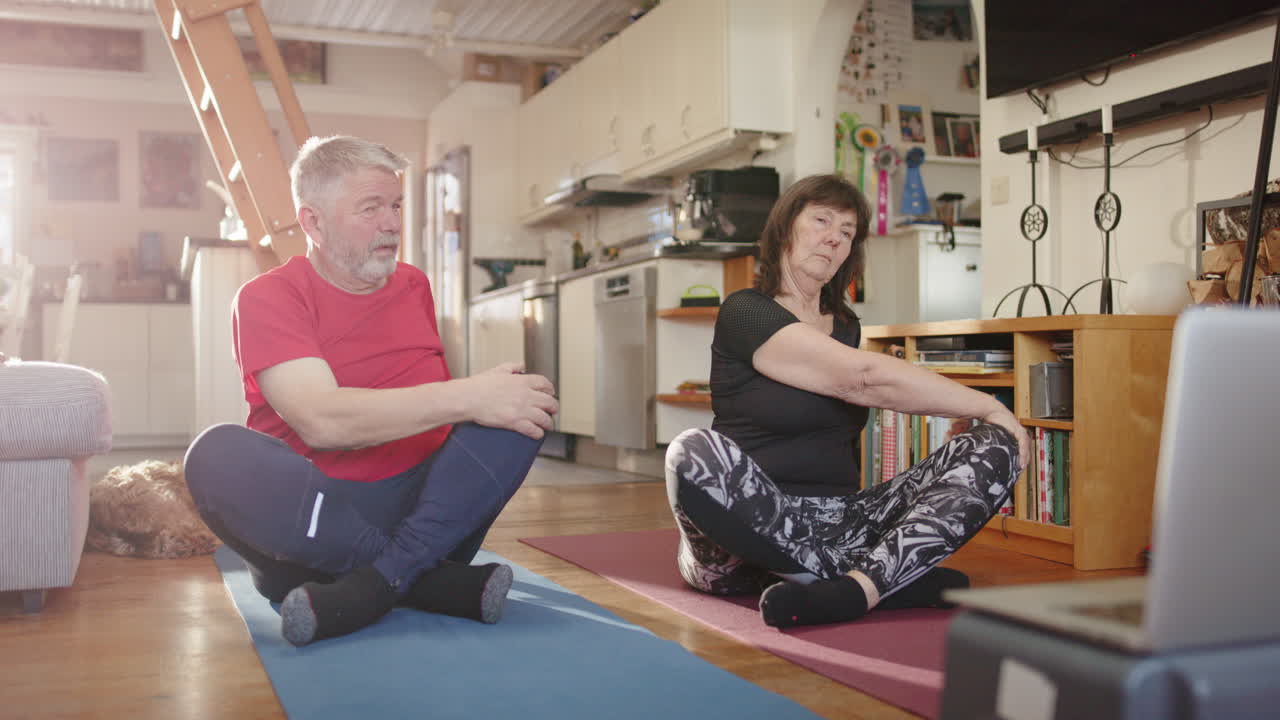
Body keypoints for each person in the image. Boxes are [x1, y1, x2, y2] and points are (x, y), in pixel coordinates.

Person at [183, 135, 558, 646]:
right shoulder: (267, 297)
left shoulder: (414, 285)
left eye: (396, 205)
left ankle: (380, 582)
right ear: (312, 221)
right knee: (215, 457)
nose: (391, 223)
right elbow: (323, 421)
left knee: (522, 400)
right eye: (370, 208)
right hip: (312, 528)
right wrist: (470, 395)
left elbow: (434, 409)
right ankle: (419, 579)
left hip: (427, 519)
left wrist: (488, 398)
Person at [664, 174, 1029, 628]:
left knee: (996, 445)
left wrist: (991, 424)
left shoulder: (845, 325)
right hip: (741, 536)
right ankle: (885, 581)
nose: (834, 238)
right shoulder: (745, 311)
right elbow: (861, 379)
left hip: (842, 524)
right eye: (822, 220)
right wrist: (987, 404)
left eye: (847, 232)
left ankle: (853, 591)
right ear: (785, 229)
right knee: (690, 450)